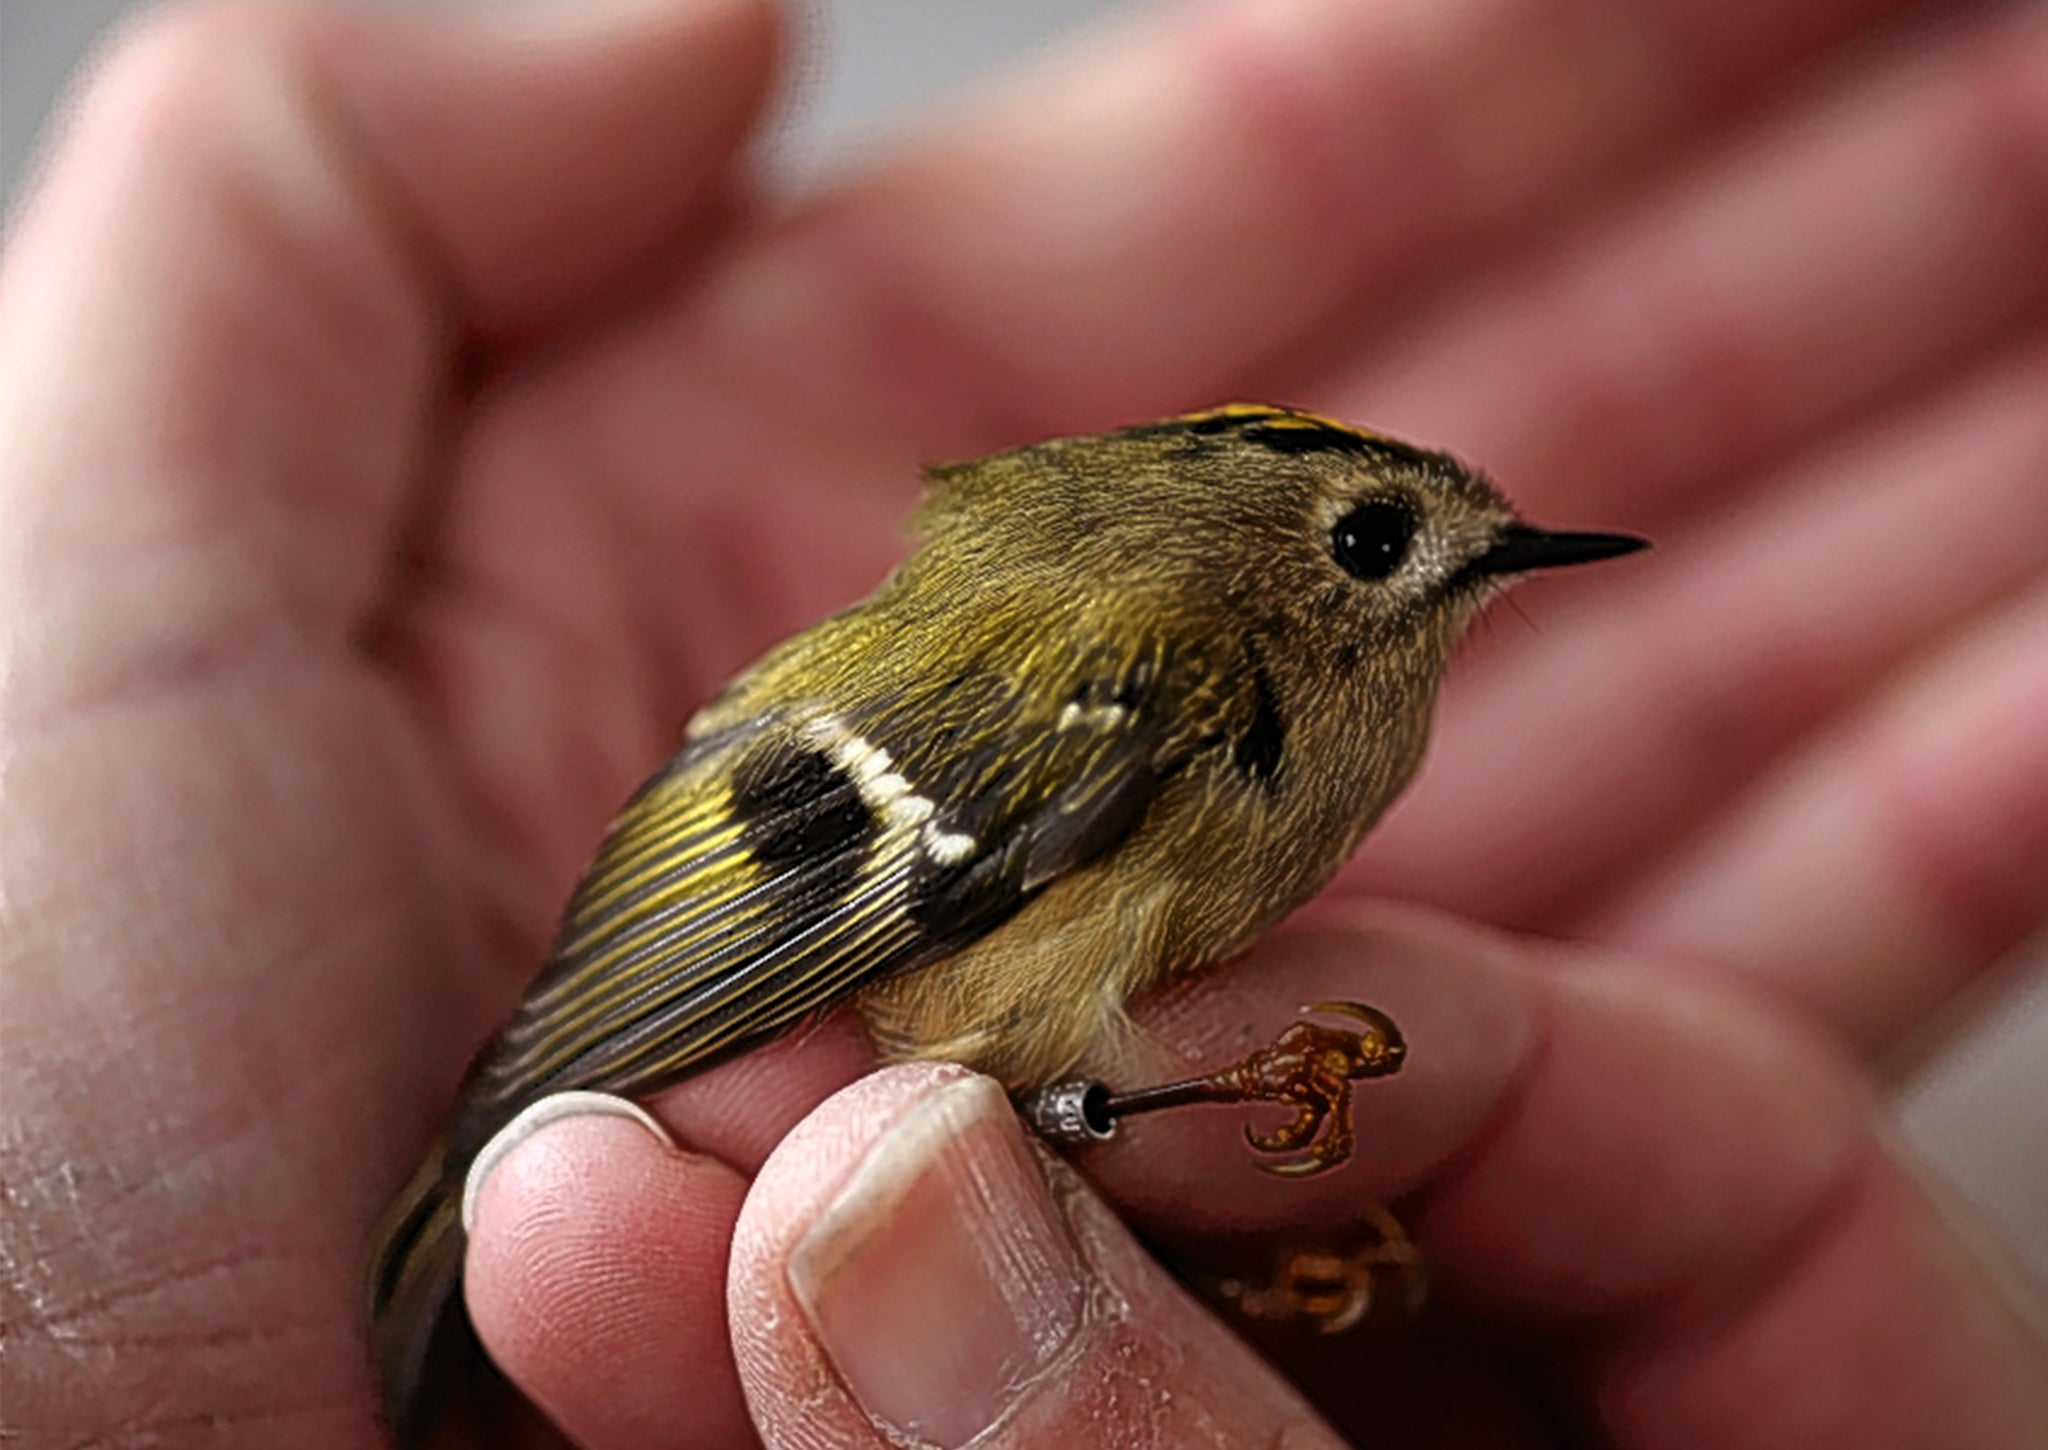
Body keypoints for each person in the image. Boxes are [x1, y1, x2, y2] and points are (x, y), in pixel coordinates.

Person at [3, 0, 2045, 1445]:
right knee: (1045, 1121)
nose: (1444, 577)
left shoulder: (1269, 692)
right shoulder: (1160, 666)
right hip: (716, 984)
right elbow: (817, 882)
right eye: (1376, 544)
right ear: (1256, 578)